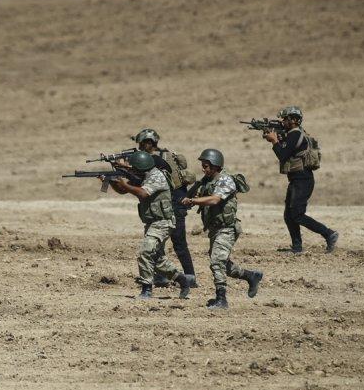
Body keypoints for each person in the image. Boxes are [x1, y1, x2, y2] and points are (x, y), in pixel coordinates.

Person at [108, 150, 194, 300]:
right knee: (157, 259)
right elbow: (123, 190)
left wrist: (124, 183)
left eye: (134, 168)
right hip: (153, 222)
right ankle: (182, 279)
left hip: (163, 222)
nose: (132, 170)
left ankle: (146, 288)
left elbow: (142, 193)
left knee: (145, 252)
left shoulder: (156, 176)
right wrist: (110, 180)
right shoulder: (145, 175)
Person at [182, 149, 262, 309]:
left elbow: (215, 200)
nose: (203, 169)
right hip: (215, 229)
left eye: (206, 166)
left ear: (215, 165)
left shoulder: (225, 179)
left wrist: (193, 200)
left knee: (217, 261)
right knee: (223, 265)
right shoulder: (207, 180)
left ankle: (221, 298)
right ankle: (251, 276)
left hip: (227, 228)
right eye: (202, 166)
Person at [263, 106, 338, 253]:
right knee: (289, 215)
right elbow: (285, 149)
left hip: (302, 179)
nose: (283, 121)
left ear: (294, 120)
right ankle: (297, 247)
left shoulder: (295, 135)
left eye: (286, 119)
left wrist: (274, 141)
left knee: (297, 214)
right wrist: (275, 139)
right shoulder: (293, 134)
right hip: (297, 179)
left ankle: (329, 234)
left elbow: (282, 155)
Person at [130, 128, 197, 287]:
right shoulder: (164, 156)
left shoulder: (156, 160)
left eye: (142, 143)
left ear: (148, 143)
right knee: (161, 245)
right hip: (169, 203)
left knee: (178, 243)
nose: (140, 147)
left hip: (173, 203)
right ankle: (164, 277)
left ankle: (189, 278)